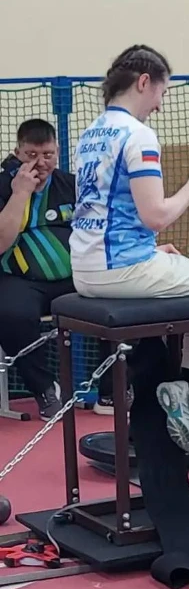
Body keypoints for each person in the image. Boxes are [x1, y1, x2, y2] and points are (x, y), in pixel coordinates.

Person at [69, 44, 189, 459]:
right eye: (162, 92)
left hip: (87, 268)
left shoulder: (90, 133)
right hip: (124, 269)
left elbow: (103, 212)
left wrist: (150, 248)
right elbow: (156, 215)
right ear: (144, 82)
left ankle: (188, 392)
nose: (160, 104)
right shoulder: (139, 135)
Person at [0, 119, 75, 419]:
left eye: (47, 154)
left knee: (116, 294)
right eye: (31, 155)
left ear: (57, 152)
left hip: (74, 277)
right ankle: (44, 389)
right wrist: (20, 193)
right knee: (10, 314)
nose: (41, 163)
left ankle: (112, 391)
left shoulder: (72, 184)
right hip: (19, 279)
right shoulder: (3, 186)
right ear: (17, 152)